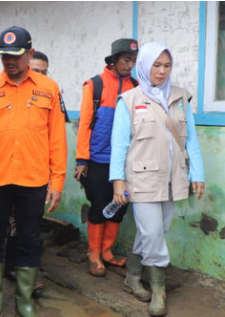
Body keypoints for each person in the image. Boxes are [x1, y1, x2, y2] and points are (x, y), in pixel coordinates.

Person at [0, 26, 67, 317]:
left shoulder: (49, 88)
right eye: (5, 55)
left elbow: (57, 138)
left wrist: (57, 180)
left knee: (29, 238)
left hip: (33, 180)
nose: (10, 61)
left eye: (16, 55)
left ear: (30, 54)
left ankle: (24, 300)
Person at [110, 42, 205, 317]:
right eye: (156, 65)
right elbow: (119, 144)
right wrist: (118, 179)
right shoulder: (128, 100)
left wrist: (196, 173)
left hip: (174, 178)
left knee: (154, 232)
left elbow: (192, 141)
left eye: (166, 65)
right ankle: (158, 290)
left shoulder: (180, 98)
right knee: (152, 233)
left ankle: (131, 276)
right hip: (141, 179)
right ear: (144, 66)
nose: (161, 71)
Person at [74, 38, 139, 277]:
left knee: (120, 207)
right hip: (99, 160)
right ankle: (93, 254)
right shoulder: (95, 85)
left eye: (133, 60)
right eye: (126, 60)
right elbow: (84, 127)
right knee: (100, 206)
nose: (130, 65)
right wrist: (82, 160)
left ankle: (107, 252)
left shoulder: (136, 86)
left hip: (125, 161)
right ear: (113, 59)